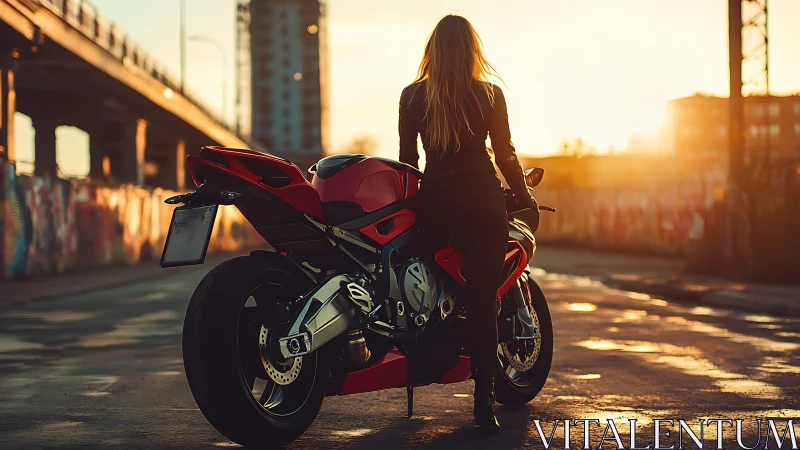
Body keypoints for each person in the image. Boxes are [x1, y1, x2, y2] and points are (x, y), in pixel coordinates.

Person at [398, 15, 537, 432]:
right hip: (482, 203)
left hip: (437, 205)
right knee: (481, 299)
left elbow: (408, 161)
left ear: (433, 50)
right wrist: (525, 197)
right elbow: (505, 154)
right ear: (472, 50)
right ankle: (483, 403)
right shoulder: (489, 95)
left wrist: (413, 208)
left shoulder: (411, 96)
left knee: (427, 281)